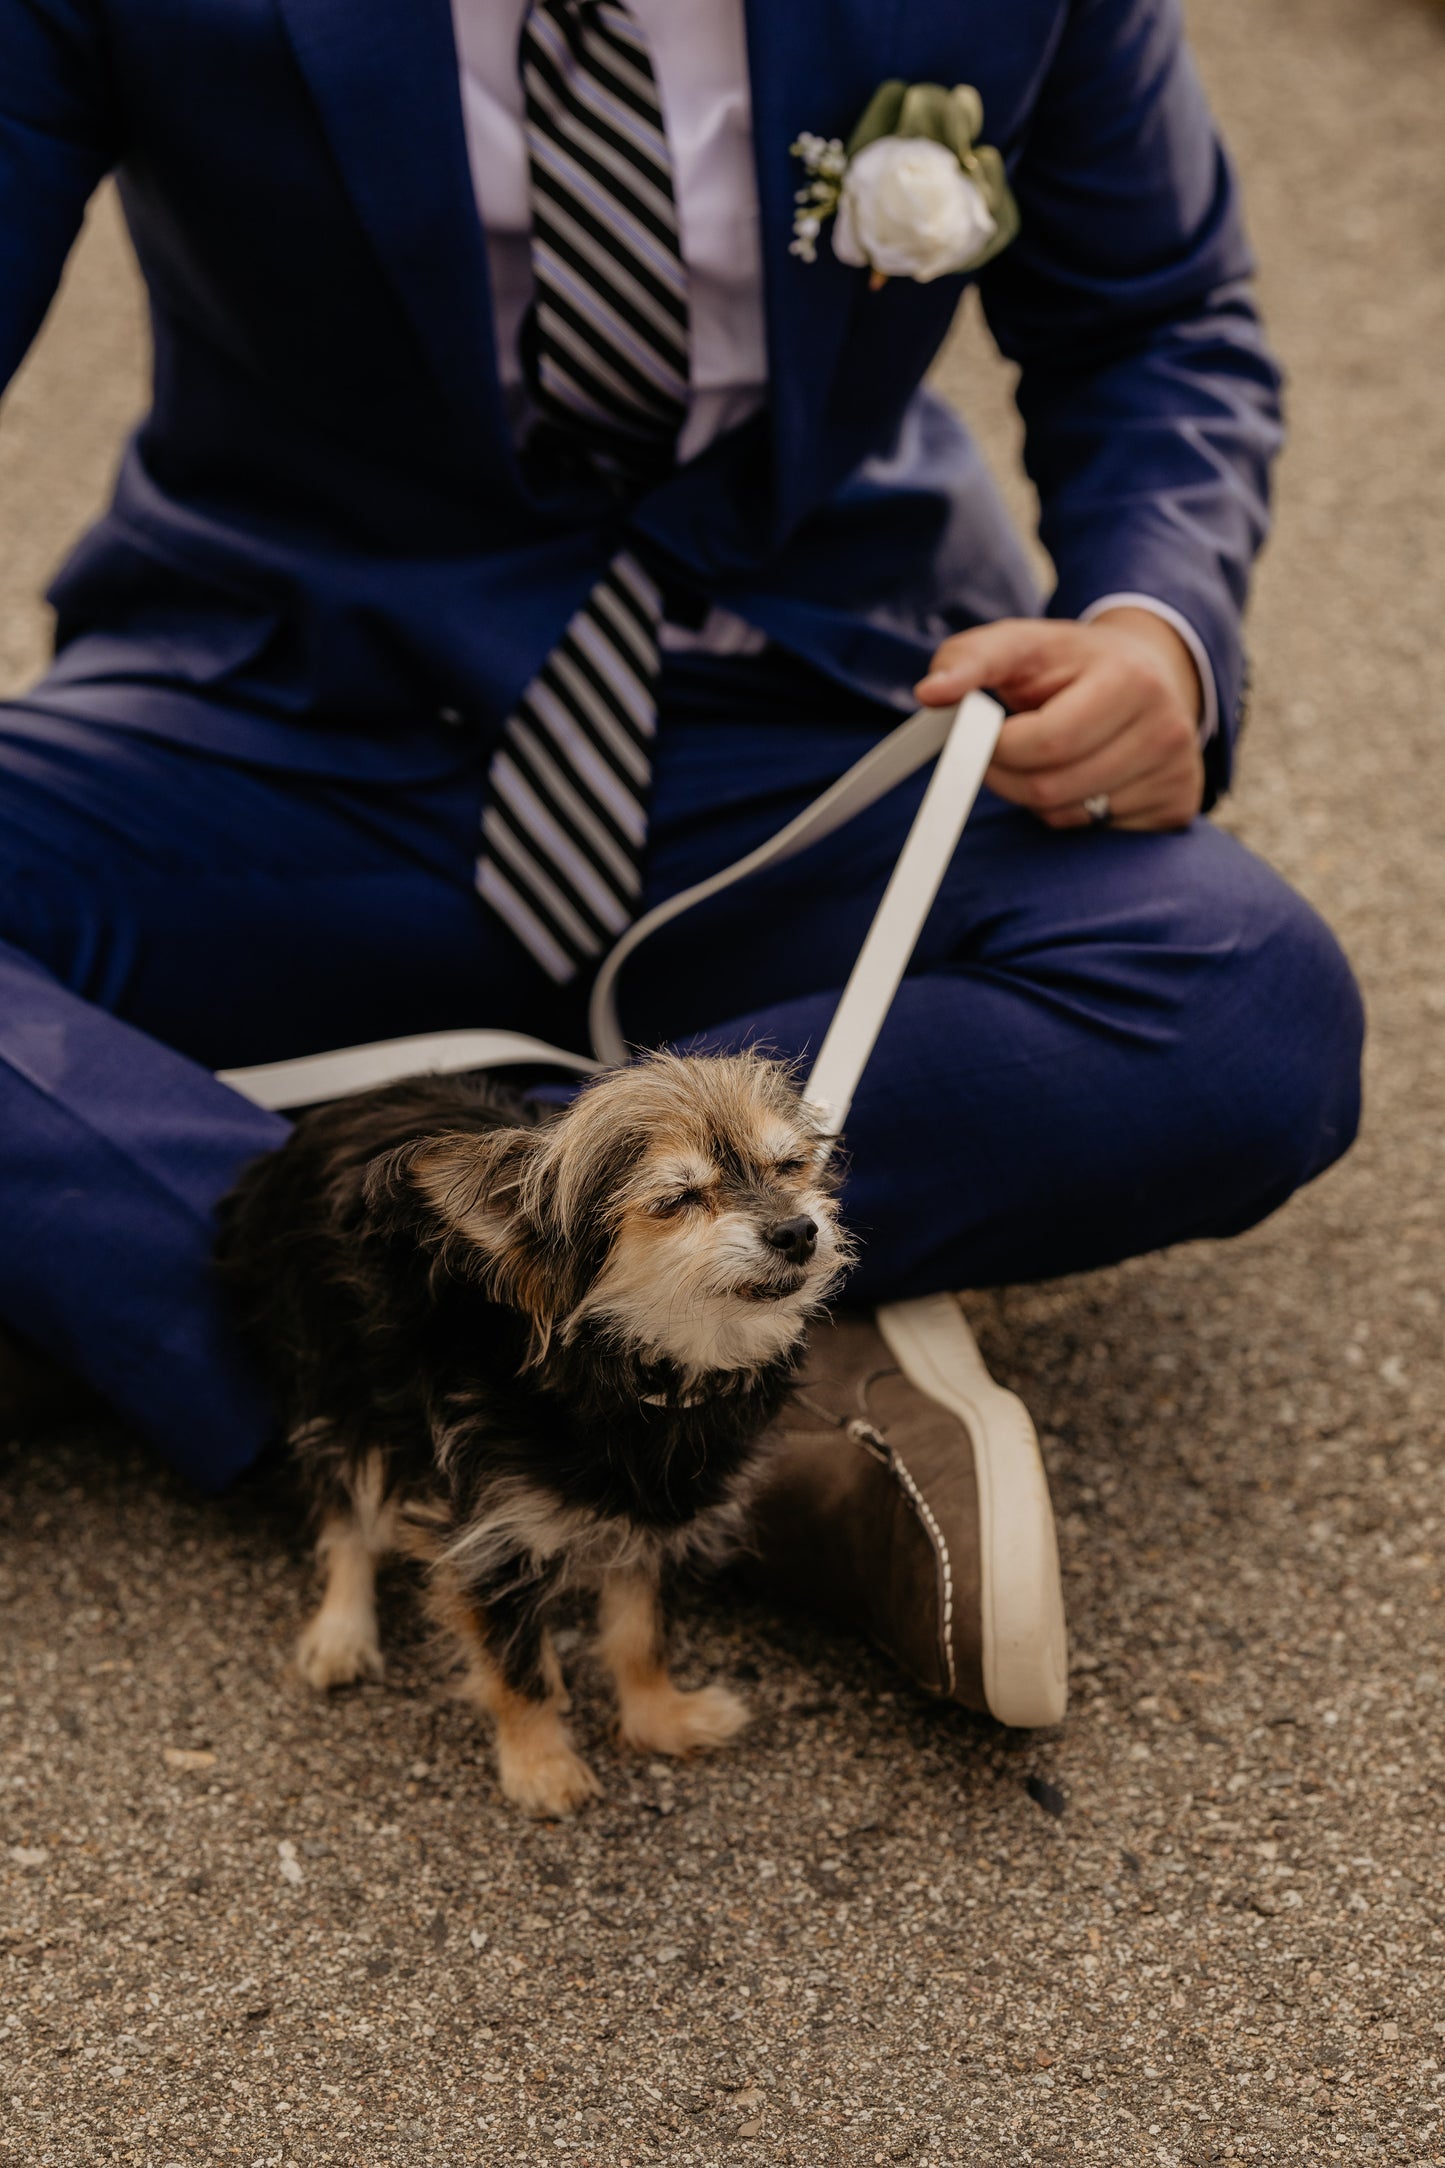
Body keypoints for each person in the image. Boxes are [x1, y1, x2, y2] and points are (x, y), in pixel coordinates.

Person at [0, 0, 1362, 1724]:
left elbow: (1158, 318)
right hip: (284, 721)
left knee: (1246, 1009)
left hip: (803, 714)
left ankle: (200, 1253)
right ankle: (704, 1406)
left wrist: (1151, 626)